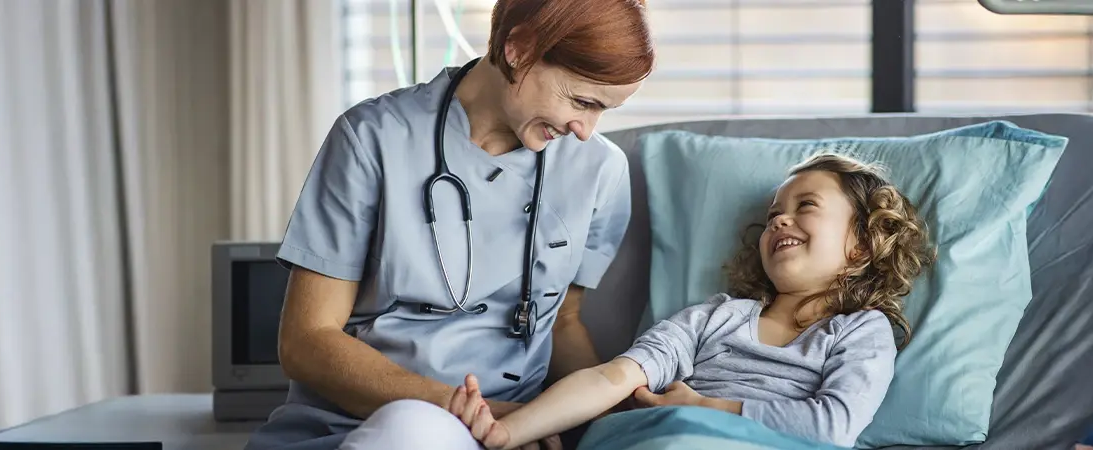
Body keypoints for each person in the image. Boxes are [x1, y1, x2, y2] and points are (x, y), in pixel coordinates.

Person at [242, 1, 653, 449]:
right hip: (365, 424)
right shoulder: (372, 139)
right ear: (519, 48)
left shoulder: (601, 172)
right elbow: (307, 339)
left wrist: (606, 414)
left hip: (514, 431)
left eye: (603, 110)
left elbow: (562, 324)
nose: (585, 129)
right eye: (580, 101)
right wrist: (464, 410)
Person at [445, 153, 938, 449]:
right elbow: (615, 377)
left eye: (805, 206)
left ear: (862, 245)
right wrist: (510, 431)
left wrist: (708, 407)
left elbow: (834, 426)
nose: (779, 222)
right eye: (772, 215)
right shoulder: (713, 318)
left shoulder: (860, 331)